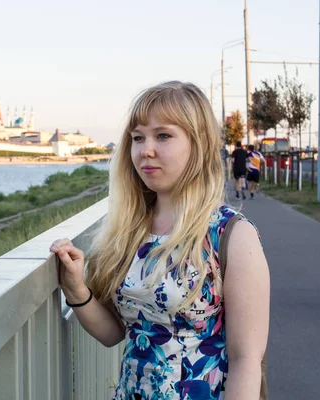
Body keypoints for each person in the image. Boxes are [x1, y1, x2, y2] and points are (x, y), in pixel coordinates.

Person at [50, 81, 270, 399]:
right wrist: (76, 290)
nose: (145, 150)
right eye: (137, 138)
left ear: (199, 143)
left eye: (162, 136)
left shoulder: (231, 236)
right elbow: (115, 333)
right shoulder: (129, 230)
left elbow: (246, 361)